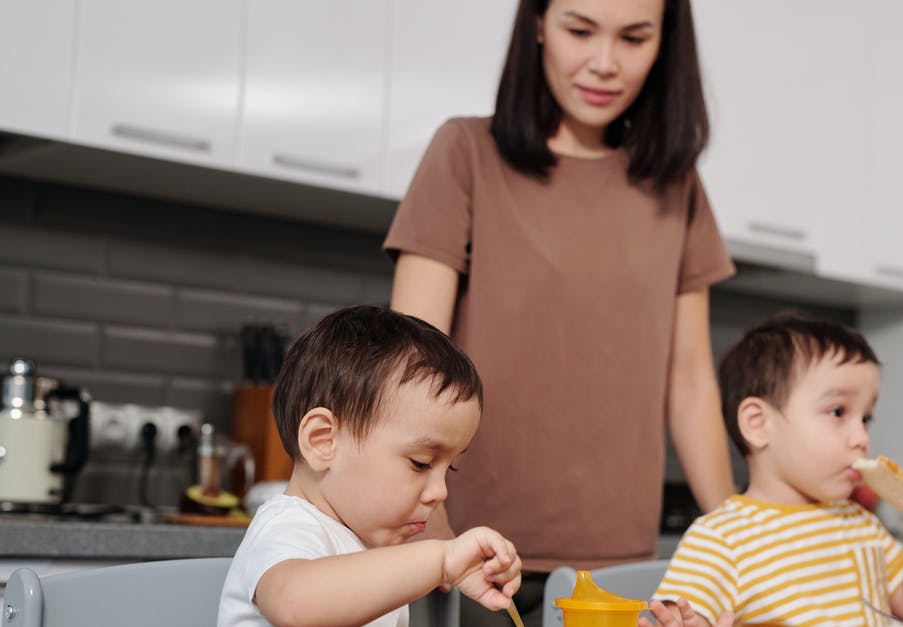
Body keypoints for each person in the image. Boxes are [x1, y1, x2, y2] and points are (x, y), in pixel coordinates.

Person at [384, 0, 735, 623]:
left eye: (633, 37)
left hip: (617, 570)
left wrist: (741, 538)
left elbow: (689, 381)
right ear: (539, 25)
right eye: (580, 30)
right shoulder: (465, 152)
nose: (604, 63)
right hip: (471, 555)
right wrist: (435, 535)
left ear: (664, 45)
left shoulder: (676, 185)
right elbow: (411, 362)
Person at [643, 312, 903, 627]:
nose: (861, 438)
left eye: (866, 418)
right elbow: (683, 617)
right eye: (838, 412)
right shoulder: (721, 539)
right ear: (759, 424)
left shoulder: (861, 525)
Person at [217, 305, 522, 627]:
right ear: (323, 441)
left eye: (450, 469)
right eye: (421, 464)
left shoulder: (366, 550)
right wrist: (442, 559)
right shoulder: (289, 526)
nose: (439, 493)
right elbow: (295, 605)